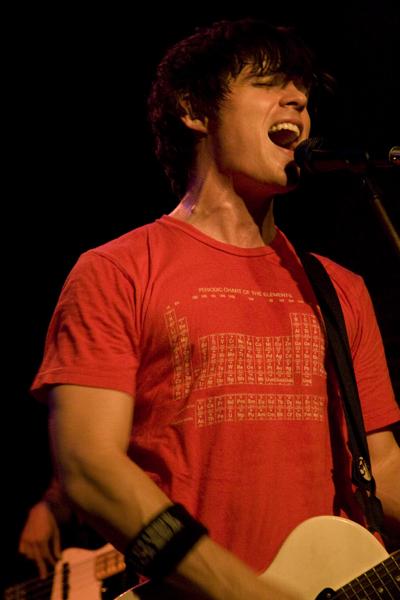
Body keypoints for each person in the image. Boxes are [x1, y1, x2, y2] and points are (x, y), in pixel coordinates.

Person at [31, 18, 400, 600]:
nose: (297, 101)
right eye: (268, 82)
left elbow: (383, 467)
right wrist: (242, 591)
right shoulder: (117, 271)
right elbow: (88, 468)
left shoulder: (338, 288)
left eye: (302, 91)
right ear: (193, 109)